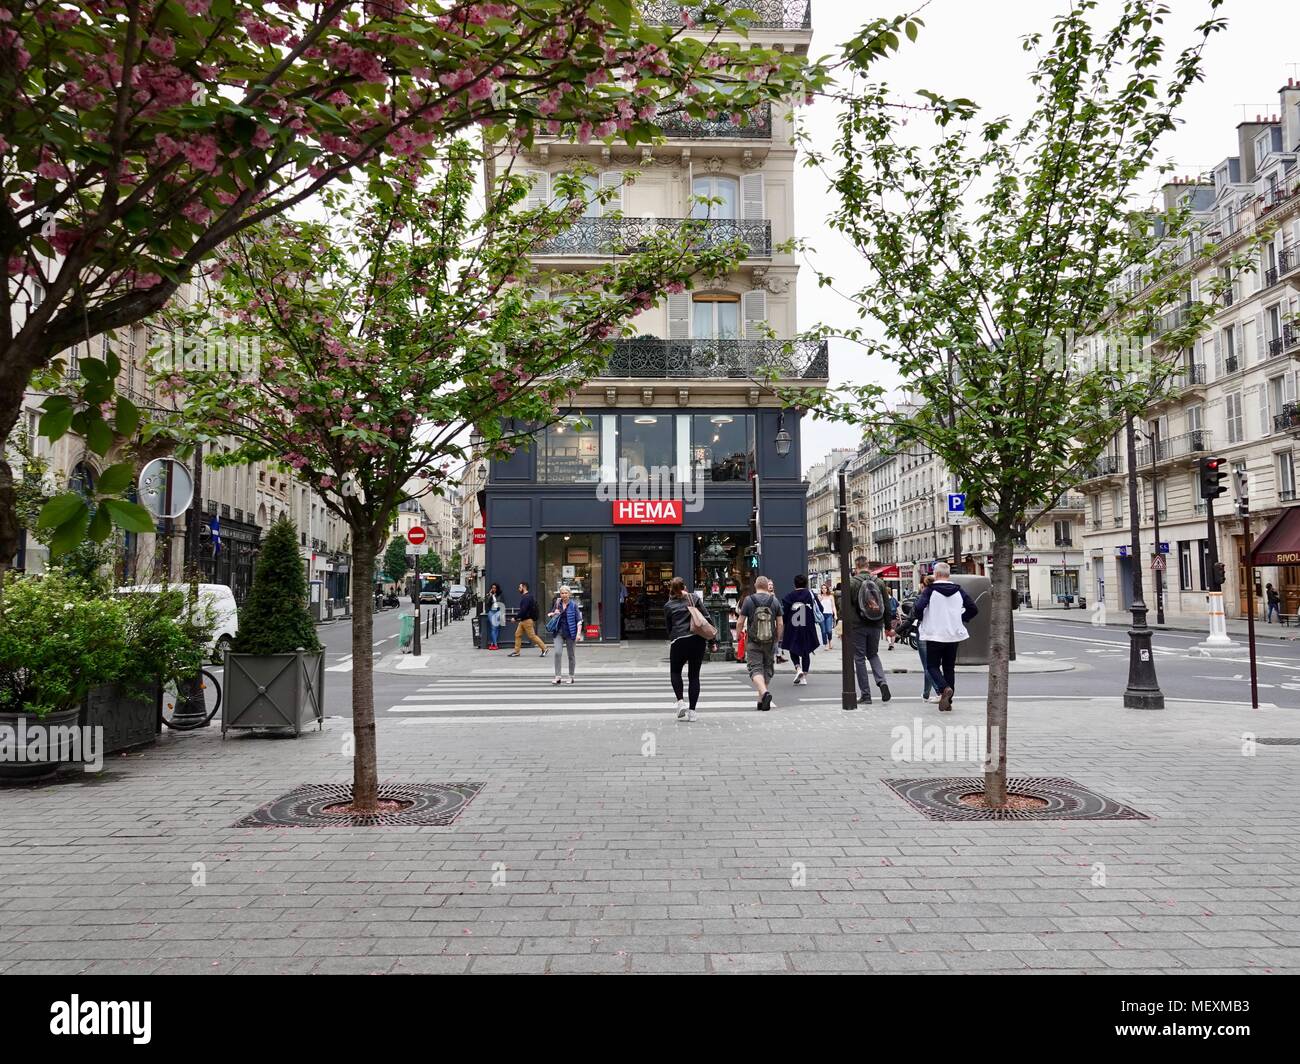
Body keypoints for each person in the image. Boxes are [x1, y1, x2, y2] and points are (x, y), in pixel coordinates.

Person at [912, 562, 979, 712]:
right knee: (949, 668)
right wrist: (960, 618)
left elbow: (918, 607)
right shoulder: (958, 590)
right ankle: (948, 700)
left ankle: (944, 689)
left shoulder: (930, 590)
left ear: (935, 574)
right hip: (953, 634)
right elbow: (973, 608)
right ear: (948, 575)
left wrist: (921, 618)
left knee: (932, 666)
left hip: (934, 633)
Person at [849, 558, 893, 705]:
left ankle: (866, 695)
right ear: (868, 566)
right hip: (876, 624)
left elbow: (846, 607)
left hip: (858, 625)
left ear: (856, 567)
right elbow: (886, 606)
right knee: (873, 654)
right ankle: (882, 683)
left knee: (859, 658)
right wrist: (888, 627)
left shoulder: (853, 582)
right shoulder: (879, 582)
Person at [664, 577, 707, 722]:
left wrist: (673, 637)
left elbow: (669, 627)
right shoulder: (694, 598)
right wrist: (713, 639)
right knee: (694, 676)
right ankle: (692, 711)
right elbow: (705, 617)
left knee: (675, 671)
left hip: (679, 640)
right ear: (685, 586)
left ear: (671, 589)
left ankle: (681, 702)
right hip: (697, 639)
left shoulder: (669, 605)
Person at [738, 575, 784, 711]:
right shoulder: (774, 600)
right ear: (766, 586)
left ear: (756, 586)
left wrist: (739, 635)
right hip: (770, 641)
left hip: (753, 640)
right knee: (767, 668)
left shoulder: (749, 600)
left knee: (755, 668)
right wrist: (777, 637)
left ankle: (764, 694)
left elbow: (740, 621)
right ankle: (762, 701)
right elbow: (780, 623)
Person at [781, 574, 821, 685]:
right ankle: (804, 676)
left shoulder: (790, 596)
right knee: (806, 650)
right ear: (806, 583)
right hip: (807, 626)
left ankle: (798, 668)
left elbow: (785, 613)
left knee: (792, 648)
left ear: (794, 584)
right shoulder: (810, 594)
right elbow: (820, 608)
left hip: (793, 626)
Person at [547, 584, 582, 685]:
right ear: (560, 594)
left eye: (566, 593)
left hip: (571, 633)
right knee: (557, 653)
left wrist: (578, 634)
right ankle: (558, 676)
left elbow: (579, 620)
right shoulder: (557, 603)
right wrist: (553, 614)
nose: (564, 595)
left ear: (569, 594)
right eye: (562, 593)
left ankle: (571, 676)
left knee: (571, 655)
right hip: (558, 632)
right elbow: (551, 614)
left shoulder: (573, 605)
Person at [509, 581, 547, 657]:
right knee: (518, 634)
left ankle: (544, 648)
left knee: (532, 636)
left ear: (524, 587)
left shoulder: (527, 597)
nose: (518, 589)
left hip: (527, 620)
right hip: (523, 620)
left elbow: (524, 610)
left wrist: (515, 618)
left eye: (519, 587)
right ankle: (517, 652)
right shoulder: (526, 597)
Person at [484, 582, 504, 650]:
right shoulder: (490, 595)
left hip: (498, 612)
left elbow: (499, 604)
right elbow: (487, 603)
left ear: (497, 589)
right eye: (492, 588)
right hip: (491, 612)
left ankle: (493, 643)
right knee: (493, 628)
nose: (493, 589)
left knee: (496, 629)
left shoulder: (500, 595)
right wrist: (490, 595)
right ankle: (496, 645)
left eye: (495, 588)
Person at [818, 581, 837, 649]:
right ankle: (825, 644)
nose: (823, 589)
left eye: (825, 588)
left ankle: (830, 641)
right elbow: (817, 607)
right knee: (823, 631)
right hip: (821, 615)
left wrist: (835, 614)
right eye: (822, 588)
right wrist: (819, 600)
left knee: (829, 630)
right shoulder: (819, 596)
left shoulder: (831, 596)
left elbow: (833, 606)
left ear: (827, 589)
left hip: (829, 614)